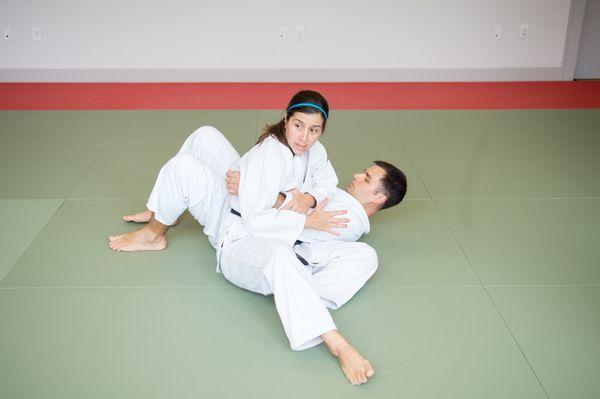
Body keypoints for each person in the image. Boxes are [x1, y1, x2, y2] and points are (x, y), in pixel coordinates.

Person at [108, 90, 407, 385]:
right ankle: (161, 210)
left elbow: (322, 183)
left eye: (314, 130)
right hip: (244, 217)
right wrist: (276, 192)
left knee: (185, 168)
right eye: (298, 126)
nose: (304, 137)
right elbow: (275, 205)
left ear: (322, 131)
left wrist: (299, 197)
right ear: (287, 120)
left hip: (242, 234)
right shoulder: (274, 153)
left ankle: (334, 340)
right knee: (205, 136)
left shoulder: (330, 181)